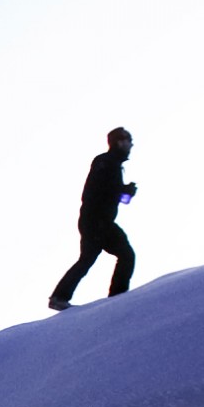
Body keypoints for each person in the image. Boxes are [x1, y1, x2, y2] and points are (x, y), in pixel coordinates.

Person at [48, 128, 137, 310]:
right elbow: (97, 191)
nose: (131, 145)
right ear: (120, 142)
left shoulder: (110, 163)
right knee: (124, 255)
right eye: (129, 140)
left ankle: (59, 297)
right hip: (97, 221)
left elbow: (105, 191)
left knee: (90, 258)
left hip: (97, 221)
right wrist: (122, 190)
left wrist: (123, 191)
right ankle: (117, 299)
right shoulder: (105, 162)